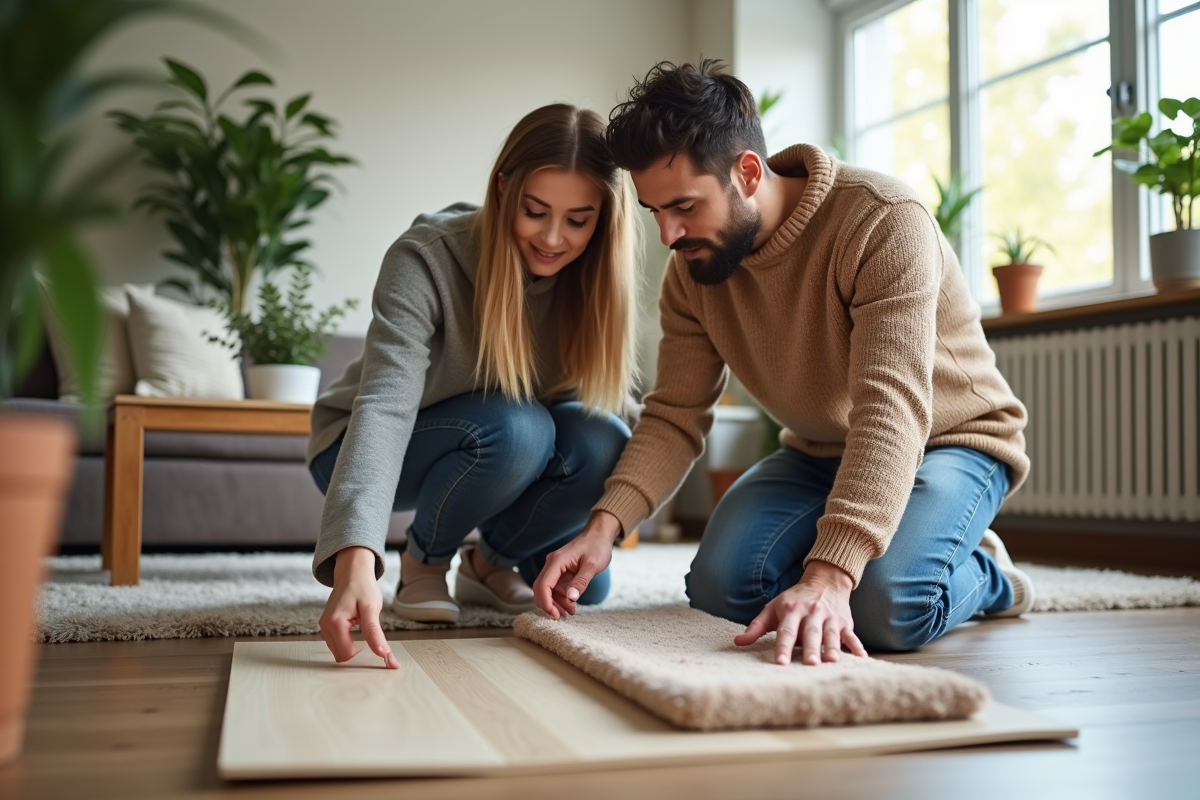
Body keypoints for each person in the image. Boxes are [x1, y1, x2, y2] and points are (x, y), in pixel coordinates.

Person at [533, 60, 1034, 666]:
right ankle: (901, 543)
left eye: (685, 206)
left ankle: (986, 570)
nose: (668, 234)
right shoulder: (693, 272)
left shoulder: (881, 220)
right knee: (720, 591)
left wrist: (830, 574)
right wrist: (602, 529)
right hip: (820, 451)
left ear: (746, 172)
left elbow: (890, 409)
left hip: (949, 440)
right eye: (655, 211)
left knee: (884, 607)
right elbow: (674, 414)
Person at [310, 104, 639, 668]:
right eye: (535, 212)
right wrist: (354, 558)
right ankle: (426, 563)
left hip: (499, 445)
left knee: (606, 441)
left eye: (578, 220)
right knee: (520, 427)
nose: (554, 239)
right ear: (504, 187)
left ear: (603, 220)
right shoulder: (427, 257)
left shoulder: (592, 282)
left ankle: (488, 564)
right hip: (366, 445)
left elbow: (611, 417)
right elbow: (385, 405)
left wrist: (606, 523)